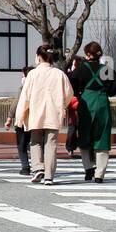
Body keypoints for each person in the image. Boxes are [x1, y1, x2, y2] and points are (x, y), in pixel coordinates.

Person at [13, 44, 74, 186]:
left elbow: (25, 97)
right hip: (54, 113)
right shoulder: (59, 74)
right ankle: (49, 176)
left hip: (35, 113)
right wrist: (62, 105)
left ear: (39, 57)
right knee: (51, 144)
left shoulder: (33, 74)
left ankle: (38, 168)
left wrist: (20, 117)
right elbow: (69, 93)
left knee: (35, 142)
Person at [71, 41, 116, 183]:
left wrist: (79, 93)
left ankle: (88, 169)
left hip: (86, 103)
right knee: (102, 136)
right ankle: (100, 174)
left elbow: (72, 83)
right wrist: (107, 92)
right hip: (102, 102)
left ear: (88, 54)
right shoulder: (105, 69)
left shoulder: (81, 69)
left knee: (84, 135)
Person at [2, 66, 32, 175]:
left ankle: (25, 167)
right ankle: (40, 166)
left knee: (22, 144)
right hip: (37, 120)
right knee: (36, 143)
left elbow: (17, 102)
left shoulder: (23, 87)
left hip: (23, 119)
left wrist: (9, 117)